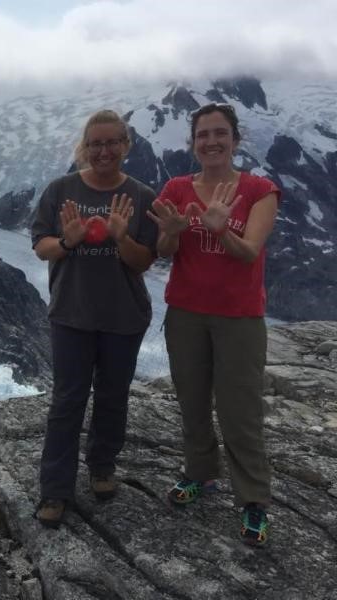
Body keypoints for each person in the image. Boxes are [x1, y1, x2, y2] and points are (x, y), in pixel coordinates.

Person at [147, 102, 280, 546]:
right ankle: (199, 473)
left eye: (220, 133)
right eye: (203, 135)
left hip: (239, 317)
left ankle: (253, 500)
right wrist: (170, 231)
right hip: (186, 313)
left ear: (236, 140)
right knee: (192, 401)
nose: (212, 142)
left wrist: (222, 229)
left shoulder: (260, 190)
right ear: (193, 142)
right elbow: (165, 251)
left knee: (240, 411)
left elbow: (249, 252)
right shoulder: (177, 187)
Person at [31, 109, 158, 527]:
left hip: (124, 315)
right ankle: (55, 489)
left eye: (112, 142)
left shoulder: (142, 196)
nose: (104, 151)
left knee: (112, 396)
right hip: (72, 312)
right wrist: (68, 239)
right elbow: (42, 247)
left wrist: (122, 237)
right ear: (85, 147)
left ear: (126, 145)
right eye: (96, 143)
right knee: (67, 401)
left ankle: (102, 466)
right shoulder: (61, 190)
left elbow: (143, 262)